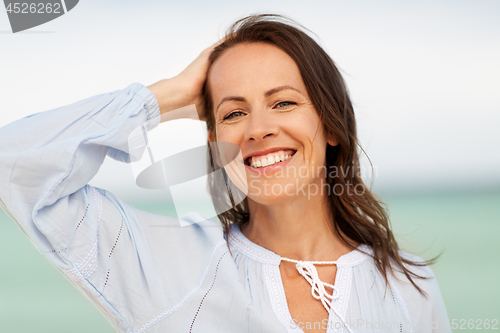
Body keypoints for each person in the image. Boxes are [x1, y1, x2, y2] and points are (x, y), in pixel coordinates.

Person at [0, 14, 450, 333]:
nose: (258, 129)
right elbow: (13, 163)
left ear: (330, 124)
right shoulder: (164, 263)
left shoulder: (409, 283)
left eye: (284, 102)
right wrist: (162, 99)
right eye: (234, 113)